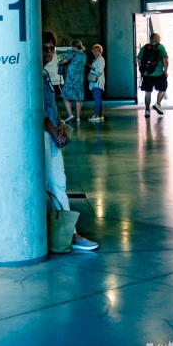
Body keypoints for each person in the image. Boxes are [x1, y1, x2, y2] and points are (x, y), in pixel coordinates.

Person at [42, 32, 99, 251]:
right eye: (45, 47)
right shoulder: (35, 74)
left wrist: (62, 126)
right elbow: (37, 110)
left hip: (54, 133)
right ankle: (67, 233)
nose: (49, 52)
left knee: (59, 183)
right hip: (46, 135)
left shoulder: (45, 74)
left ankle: (70, 232)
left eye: (52, 48)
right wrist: (54, 130)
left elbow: (51, 108)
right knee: (51, 184)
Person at [136, 33, 169, 117]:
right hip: (158, 73)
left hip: (147, 74)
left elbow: (139, 60)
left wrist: (143, 70)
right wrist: (165, 71)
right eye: (159, 38)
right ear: (156, 38)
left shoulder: (145, 47)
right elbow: (166, 61)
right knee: (163, 88)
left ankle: (147, 110)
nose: (160, 40)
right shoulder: (160, 47)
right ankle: (158, 104)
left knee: (147, 92)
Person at [58, 40, 86, 123]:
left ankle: (70, 114)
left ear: (74, 46)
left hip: (71, 78)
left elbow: (64, 61)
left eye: (72, 46)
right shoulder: (84, 55)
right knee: (78, 98)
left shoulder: (73, 53)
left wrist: (59, 62)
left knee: (65, 95)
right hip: (80, 79)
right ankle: (78, 117)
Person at [88, 44, 105, 122]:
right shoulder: (96, 60)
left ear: (100, 51)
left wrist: (93, 68)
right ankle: (100, 114)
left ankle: (96, 114)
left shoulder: (100, 59)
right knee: (98, 98)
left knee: (96, 98)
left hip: (97, 82)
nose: (95, 52)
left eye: (97, 51)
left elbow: (100, 71)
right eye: (94, 51)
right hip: (96, 82)